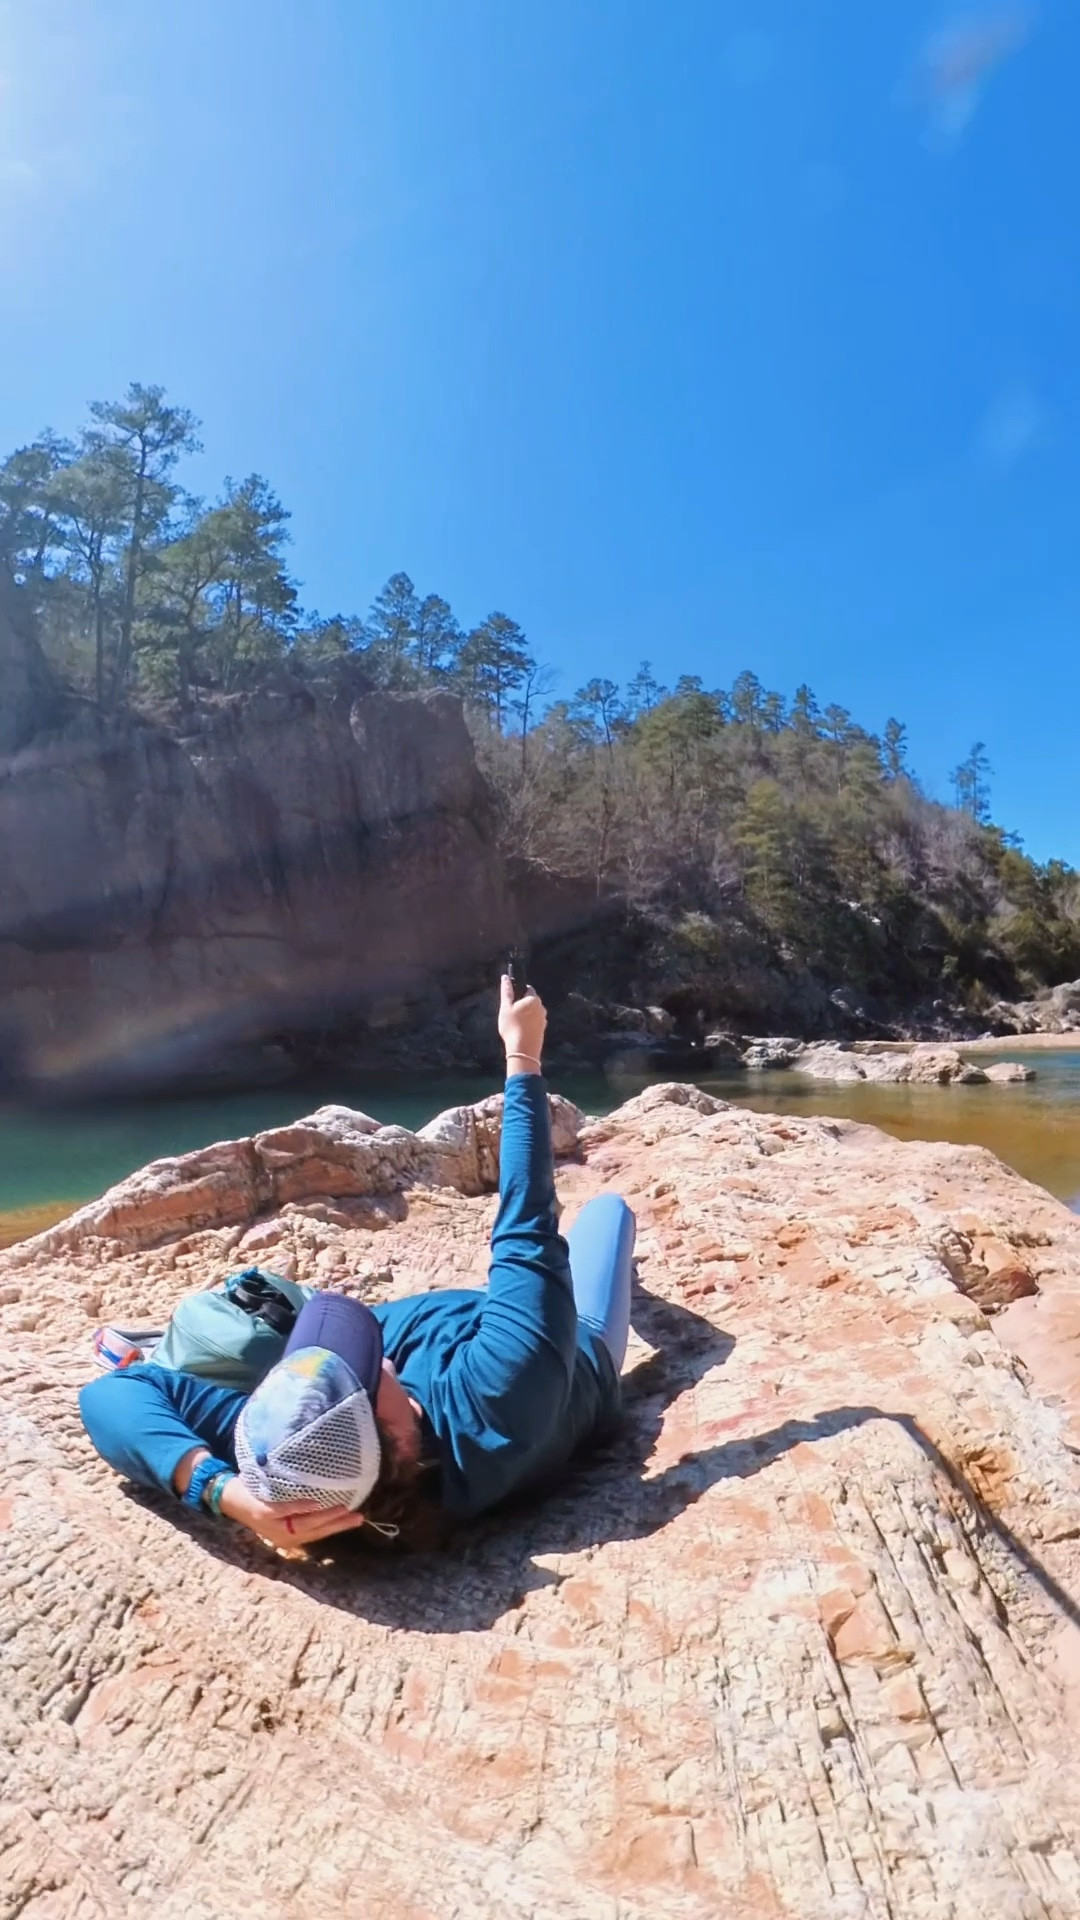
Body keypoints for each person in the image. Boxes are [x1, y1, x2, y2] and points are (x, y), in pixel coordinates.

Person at [79, 976, 637, 1552]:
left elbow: (109, 1396)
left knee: (238, 1344)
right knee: (608, 1212)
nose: (378, 1359)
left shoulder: (298, 1459)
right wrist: (522, 1056)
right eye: (365, 1370)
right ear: (399, 1440)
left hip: (453, 1337)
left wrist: (225, 1493)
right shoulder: (504, 1392)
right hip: (577, 1351)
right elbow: (526, 1218)